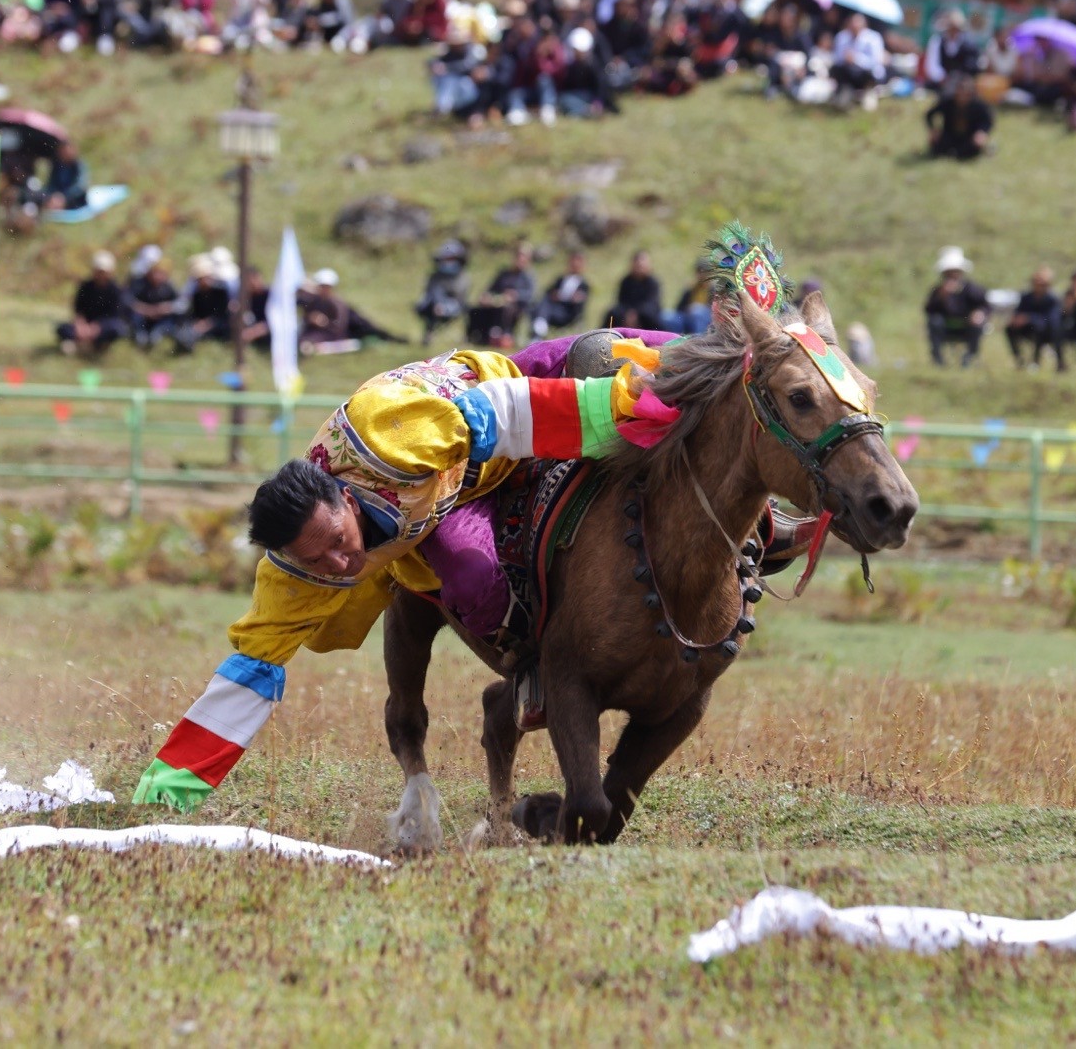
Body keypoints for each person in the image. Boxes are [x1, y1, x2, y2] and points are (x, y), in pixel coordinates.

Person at [130, 331, 674, 810]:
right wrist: (168, 790)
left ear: (347, 496)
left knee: (638, 360)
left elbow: (505, 413)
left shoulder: (388, 439)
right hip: (458, 499)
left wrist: (626, 408)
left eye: (341, 542)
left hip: (499, 401)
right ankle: (533, 666)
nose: (342, 564)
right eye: (317, 561)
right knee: (472, 577)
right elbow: (249, 670)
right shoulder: (295, 576)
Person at [923, 246, 987, 366]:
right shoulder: (937, 290)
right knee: (934, 322)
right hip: (945, 329)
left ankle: (969, 356)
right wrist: (942, 296)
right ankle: (938, 360)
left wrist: (979, 314)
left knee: (978, 325)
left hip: (967, 327)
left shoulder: (971, 288)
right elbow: (929, 310)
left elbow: (984, 305)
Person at [468, 244, 535, 346]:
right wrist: (486, 296)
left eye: (523, 257)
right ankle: (476, 337)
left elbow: (530, 295)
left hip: (515, 308)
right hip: (496, 304)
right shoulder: (504, 274)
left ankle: (503, 336)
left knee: (505, 309)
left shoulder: (528, 277)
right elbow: (491, 289)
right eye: (518, 256)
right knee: (475, 310)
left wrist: (515, 296)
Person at [1003, 266, 1063, 368]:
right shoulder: (1027, 297)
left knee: (1039, 328)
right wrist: (1016, 319)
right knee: (1010, 328)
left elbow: (1051, 320)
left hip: (1047, 332)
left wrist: (1029, 318)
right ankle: (1019, 359)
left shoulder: (1053, 300)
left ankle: (1036, 361)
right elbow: (1019, 311)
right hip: (1028, 329)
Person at [414, 240, 470, 346]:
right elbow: (430, 294)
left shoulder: (462, 277)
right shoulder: (435, 277)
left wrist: (445, 307)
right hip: (433, 307)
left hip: (452, 307)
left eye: (451, 259)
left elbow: (460, 300)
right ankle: (428, 335)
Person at [925, 75, 993, 159]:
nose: (962, 97)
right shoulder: (948, 102)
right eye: (960, 93)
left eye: (966, 95)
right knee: (937, 147)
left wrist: (981, 132)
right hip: (950, 135)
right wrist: (933, 130)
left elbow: (987, 120)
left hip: (969, 136)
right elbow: (930, 114)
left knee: (971, 149)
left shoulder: (979, 105)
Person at [830, 10, 886, 107]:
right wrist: (846, 58)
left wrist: (856, 58)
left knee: (867, 73)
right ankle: (844, 93)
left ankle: (869, 92)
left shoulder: (873, 38)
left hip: (867, 73)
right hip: (847, 72)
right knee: (836, 69)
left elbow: (876, 61)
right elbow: (836, 58)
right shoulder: (842, 36)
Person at [530, 252, 589, 339]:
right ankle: (539, 329)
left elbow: (579, 301)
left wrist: (563, 298)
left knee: (541, 308)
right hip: (553, 308)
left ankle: (538, 331)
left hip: (566, 313)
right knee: (539, 304)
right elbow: (549, 291)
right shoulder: (561, 279)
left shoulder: (584, 284)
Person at [607, 249, 664, 331]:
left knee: (650, 316)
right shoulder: (626, 281)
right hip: (626, 314)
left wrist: (637, 314)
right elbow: (621, 301)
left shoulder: (653, 282)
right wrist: (628, 313)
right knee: (612, 313)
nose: (639, 267)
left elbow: (653, 303)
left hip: (646, 315)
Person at [922, 9, 982, 85]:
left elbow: (973, 65)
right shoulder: (937, 41)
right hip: (940, 83)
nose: (953, 31)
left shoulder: (969, 44)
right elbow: (932, 65)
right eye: (951, 28)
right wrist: (942, 77)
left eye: (955, 28)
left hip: (962, 84)